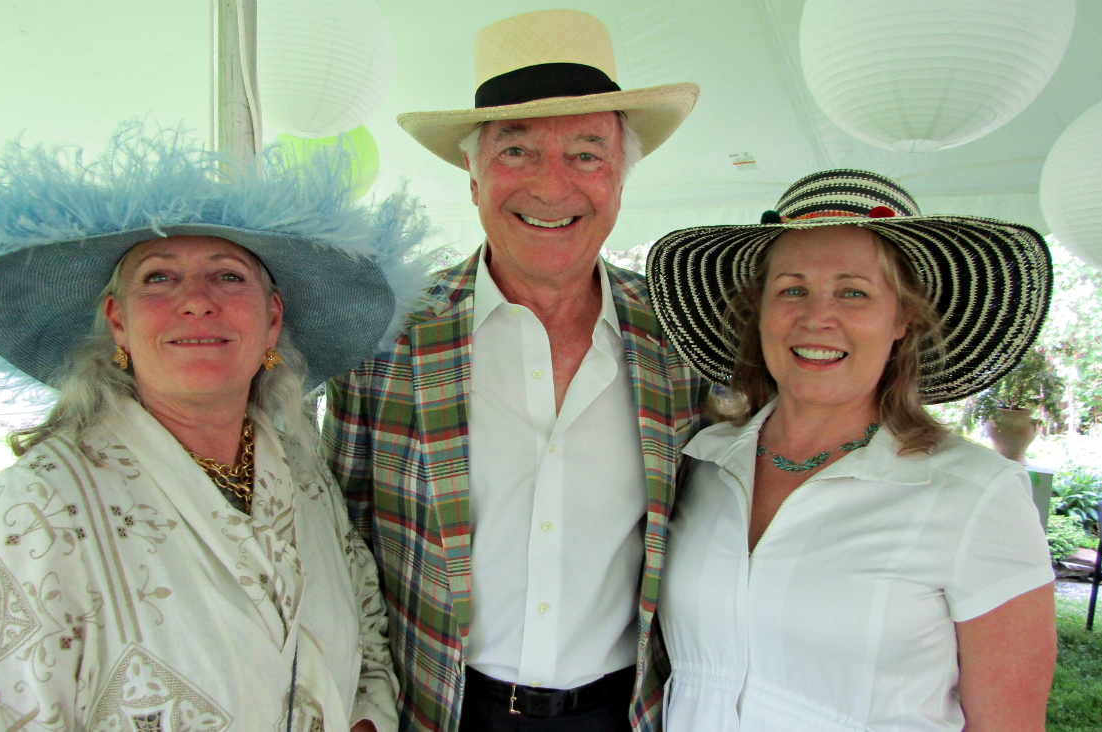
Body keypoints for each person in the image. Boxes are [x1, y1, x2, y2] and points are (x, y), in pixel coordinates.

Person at [0, 126, 430, 731]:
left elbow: (367, 630)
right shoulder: (28, 515)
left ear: (272, 322)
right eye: (159, 278)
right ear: (118, 321)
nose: (196, 301)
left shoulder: (303, 475)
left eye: (229, 276)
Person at [323, 9, 705, 732]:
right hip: (436, 711)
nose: (552, 186)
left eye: (588, 153)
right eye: (517, 152)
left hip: (625, 714)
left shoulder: (679, 341)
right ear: (473, 177)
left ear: (621, 178)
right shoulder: (388, 338)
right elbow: (340, 543)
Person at [645, 169, 1058, 731]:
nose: (818, 317)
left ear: (903, 317)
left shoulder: (975, 495)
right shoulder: (703, 461)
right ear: (759, 310)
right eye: (792, 289)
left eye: (853, 292)